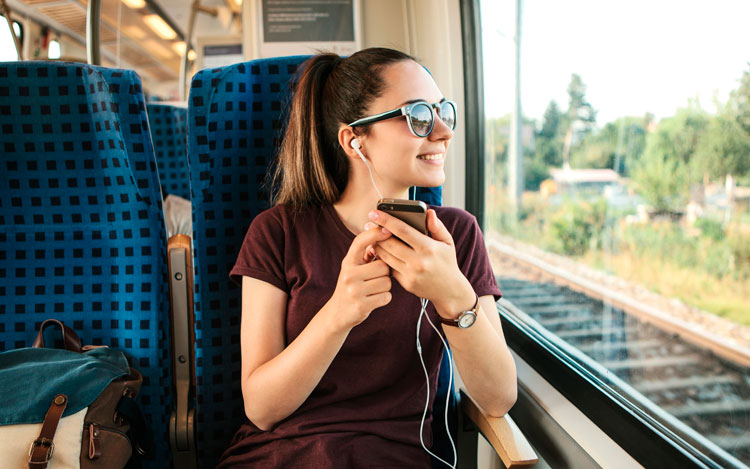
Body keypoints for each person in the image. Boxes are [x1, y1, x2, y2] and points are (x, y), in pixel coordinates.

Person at [218, 48, 517, 468]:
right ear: (354, 139)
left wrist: (453, 296)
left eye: (442, 111)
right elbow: (262, 409)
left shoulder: (457, 236)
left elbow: (499, 397)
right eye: (418, 116)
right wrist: (340, 312)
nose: (444, 131)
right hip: (280, 456)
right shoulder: (277, 232)